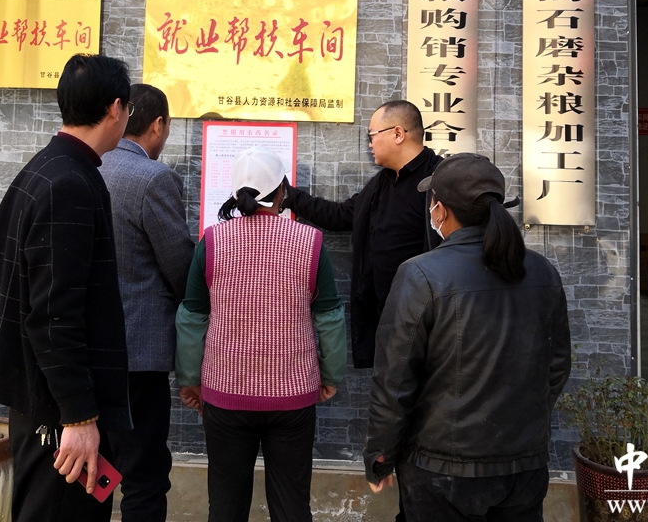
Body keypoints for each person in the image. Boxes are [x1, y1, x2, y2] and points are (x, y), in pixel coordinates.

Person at [0, 54, 134, 522]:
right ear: (116, 108)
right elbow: (53, 315)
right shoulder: (68, 183)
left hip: (46, 403)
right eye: (129, 109)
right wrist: (79, 416)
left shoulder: (52, 167)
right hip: (57, 415)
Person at [364, 153, 572, 522]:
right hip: (523, 465)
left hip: (442, 469)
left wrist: (381, 454)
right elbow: (557, 367)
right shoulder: (543, 271)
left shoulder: (421, 275)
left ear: (440, 210)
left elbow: (395, 380)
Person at [175, 147, 347, 522]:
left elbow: (192, 317)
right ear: (282, 190)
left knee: (225, 507)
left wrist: (189, 379)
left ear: (236, 194)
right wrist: (331, 375)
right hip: (293, 397)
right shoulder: (310, 242)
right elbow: (329, 317)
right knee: (292, 506)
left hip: (225, 395)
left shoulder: (213, 241)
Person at [283, 99, 441, 369]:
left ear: (398, 134)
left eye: (372, 135)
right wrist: (289, 196)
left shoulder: (440, 179)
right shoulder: (381, 183)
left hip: (428, 321)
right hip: (385, 320)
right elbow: (340, 215)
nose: (369, 144)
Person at [99, 83, 195, 522]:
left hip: (86, 353)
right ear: (158, 124)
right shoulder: (153, 178)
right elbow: (179, 265)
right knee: (143, 475)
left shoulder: (89, 165)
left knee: (95, 469)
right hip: (138, 356)